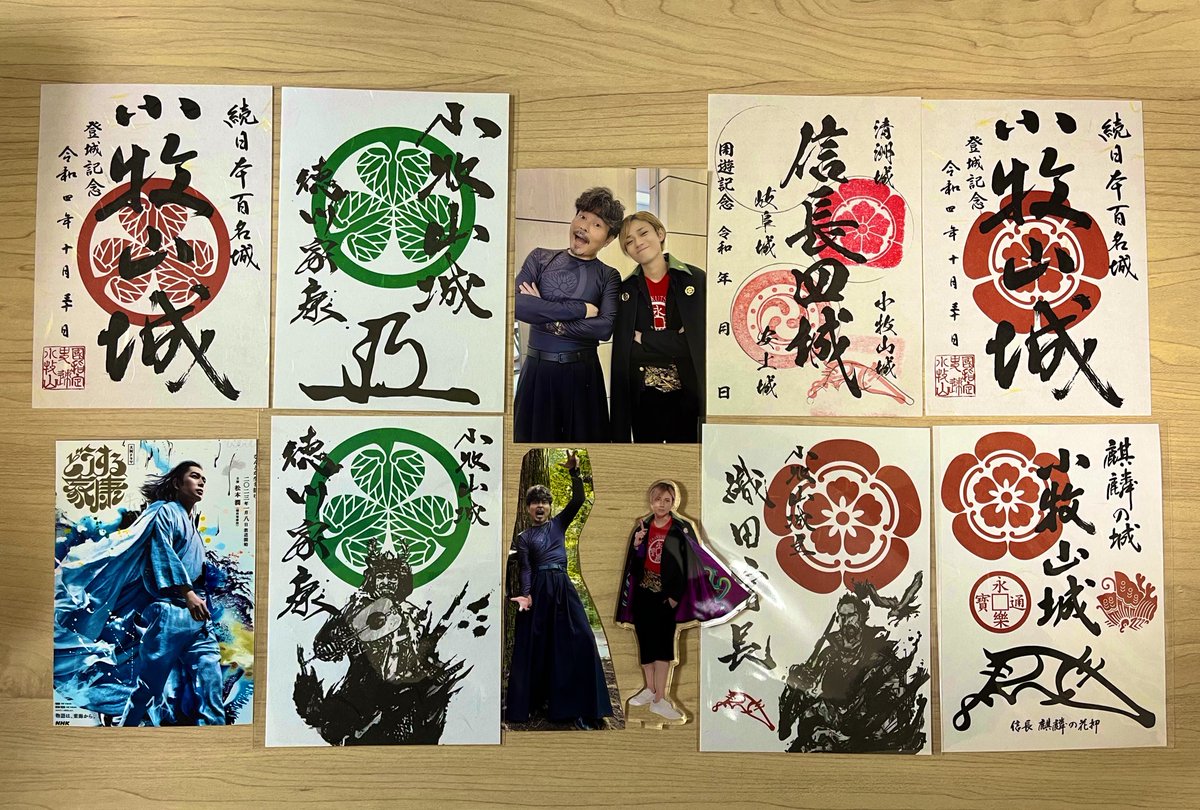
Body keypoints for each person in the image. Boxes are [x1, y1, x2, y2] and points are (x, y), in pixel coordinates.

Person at [54, 461, 225, 725]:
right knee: (149, 689)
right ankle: (126, 729)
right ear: (177, 483)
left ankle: (217, 732)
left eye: (204, 478)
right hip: (171, 611)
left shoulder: (191, 522)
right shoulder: (166, 511)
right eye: (194, 476)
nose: (201, 482)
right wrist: (188, 593)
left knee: (210, 679)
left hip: (198, 617)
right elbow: (163, 552)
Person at [295, 545, 465, 745]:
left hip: (400, 690)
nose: (386, 582)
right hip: (361, 687)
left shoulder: (412, 613)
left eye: (392, 577)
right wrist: (326, 647)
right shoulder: (357, 608)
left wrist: (430, 670)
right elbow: (328, 638)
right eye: (381, 577)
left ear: (400, 581)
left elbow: (418, 653)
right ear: (373, 579)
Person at [615, 480, 750, 722]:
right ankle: (649, 689)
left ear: (673, 503)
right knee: (645, 643)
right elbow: (633, 567)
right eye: (658, 500)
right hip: (643, 595)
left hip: (666, 597)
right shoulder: (642, 528)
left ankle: (660, 698)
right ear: (651, 501)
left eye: (667, 500)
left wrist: (674, 598)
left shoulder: (680, 529)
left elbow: (690, 565)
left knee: (663, 647)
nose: (662, 504)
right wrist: (637, 545)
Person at [505, 451, 613, 727]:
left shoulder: (558, 524)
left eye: (544, 502)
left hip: (563, 587)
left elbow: (578, 500)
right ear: (528, 508)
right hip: (540, 591)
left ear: (550, 507)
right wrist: (526, 594)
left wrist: (575, 472)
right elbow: (526, 568)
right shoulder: (524, 537)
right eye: (535, 503)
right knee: (540, 648)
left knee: (583, 639)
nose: (540, 506)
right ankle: (542, 704)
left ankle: (587, 708)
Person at [514, 187, 624, 443]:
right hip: (537, 372)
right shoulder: (540, 258)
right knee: (536, 452)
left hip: (583, 375)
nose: (584, 226)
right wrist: (580, 310)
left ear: (608, 239)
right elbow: (517, 305)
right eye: (582, 216)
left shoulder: (608, 275)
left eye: (597, 224)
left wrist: (543, 312)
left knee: (582, 454)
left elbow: (604, 327)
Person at [609, 211, 705, 443]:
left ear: (660, 233)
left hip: (688, 395)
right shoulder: (626, 290)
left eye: (643, 233)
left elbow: (696, 344)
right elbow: (628, 353)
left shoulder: (694, 279)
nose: (638, 243)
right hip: (645, 399)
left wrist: (645, 338)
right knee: (649, 458)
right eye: (629, 241)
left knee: (688, 457)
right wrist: (673, 340)